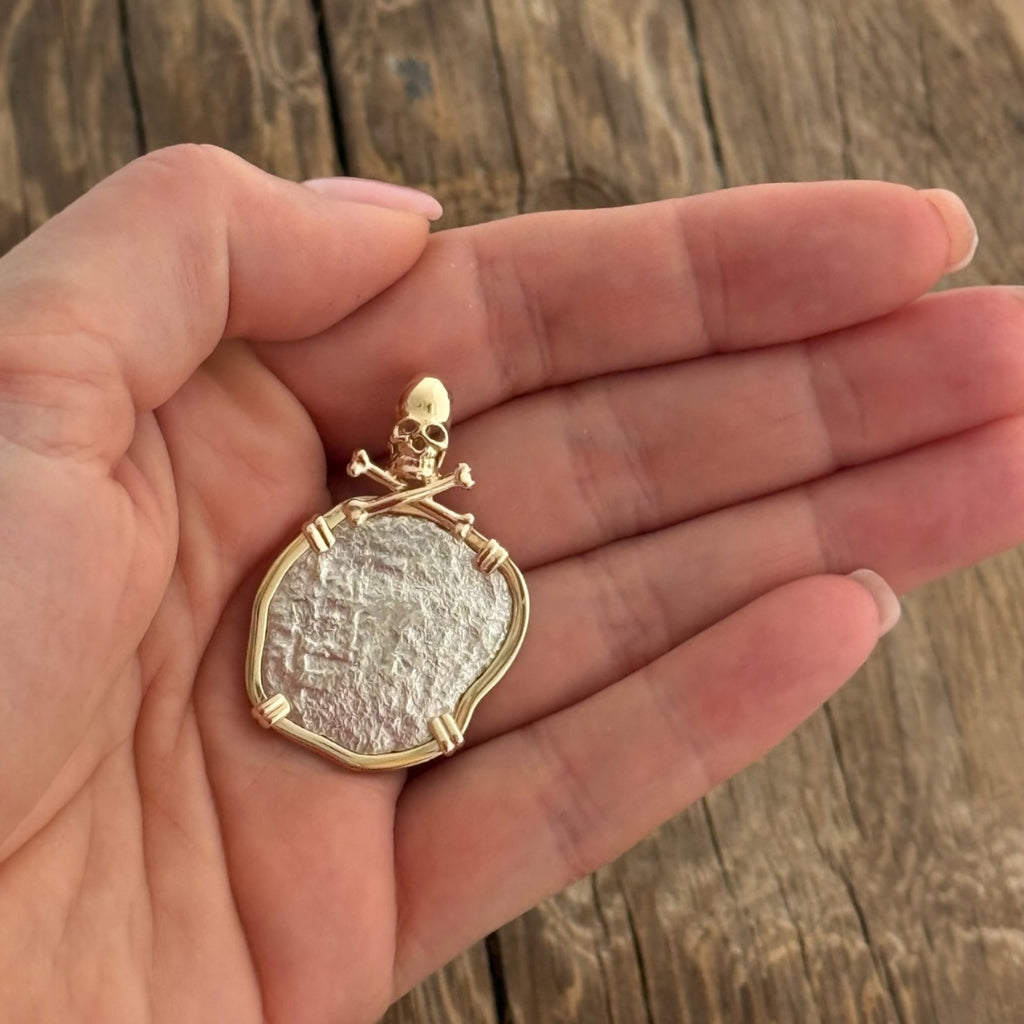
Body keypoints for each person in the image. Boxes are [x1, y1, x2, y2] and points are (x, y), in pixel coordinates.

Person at [0, 144, 1013, 1024]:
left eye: (428, 434)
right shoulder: (358, 531)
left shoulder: (434, 547)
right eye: (419, 433)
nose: (422, 441)